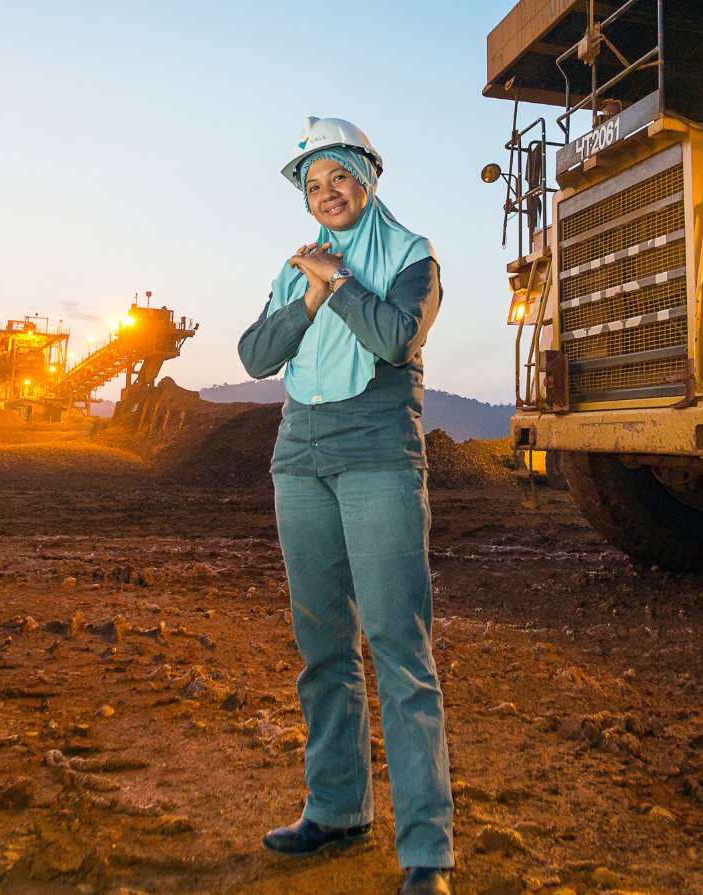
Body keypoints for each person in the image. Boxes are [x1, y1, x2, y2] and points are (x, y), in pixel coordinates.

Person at [238, 117, 455, 895]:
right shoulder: (295, 264)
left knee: (399, 644)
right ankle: (335, 808)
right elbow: (255, 355)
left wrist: (338, 284)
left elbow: (398, 339)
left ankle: (427, 852)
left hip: (375, 448)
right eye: (312, 185)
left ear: (367, 174)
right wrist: (307, 294)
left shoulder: (412, 254)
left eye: (337, 177)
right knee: (322, 642)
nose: (325, 194)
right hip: (298, 453)